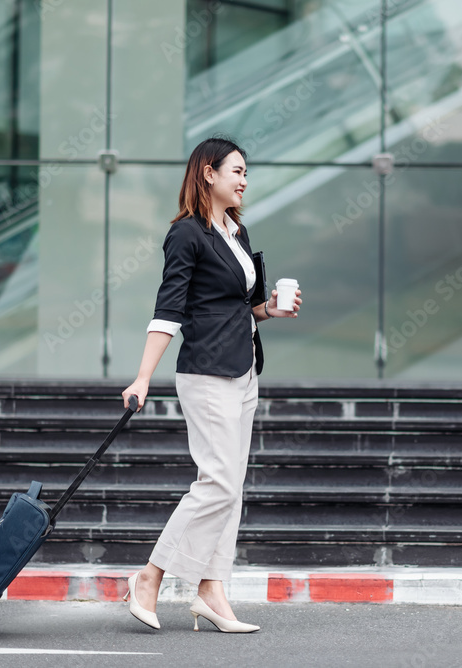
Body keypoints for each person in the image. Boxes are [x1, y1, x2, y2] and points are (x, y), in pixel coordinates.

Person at [119, 137, 303, 633]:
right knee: (217, 480)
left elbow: (242, 306)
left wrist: (272, 310)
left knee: (231, 486)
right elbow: (169, 308)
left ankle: (212, 590)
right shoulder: (186, 234)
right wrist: (142, 376)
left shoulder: (236, 231)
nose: (244, 180)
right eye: (236, 171)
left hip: (243, 369)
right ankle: (150, 575)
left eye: (246, 173)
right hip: (205, 372)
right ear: (208, 173)